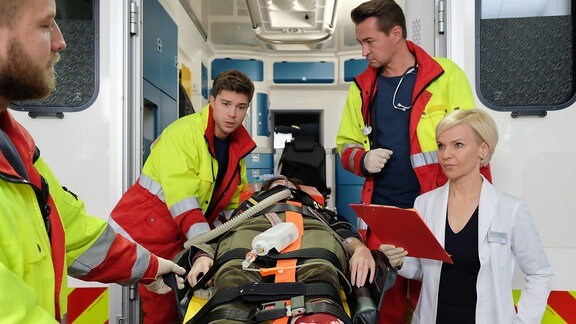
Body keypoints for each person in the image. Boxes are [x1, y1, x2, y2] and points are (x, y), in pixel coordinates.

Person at [0, 0, 186, 322]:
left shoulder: (16, 146)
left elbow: (74, 232)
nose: (61, 41)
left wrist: (150, 268)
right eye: (45, 25)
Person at [335, 0, 491, 322]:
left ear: (396, 33)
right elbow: (345, 147)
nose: (364, 51)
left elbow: (472, 143)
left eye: (369, 41)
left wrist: (481, 212)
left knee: (435, 300)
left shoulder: (445, 76)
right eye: (360, 42)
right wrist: (363, 160)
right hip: (384, 217)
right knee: (383, 305)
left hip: (435, 213)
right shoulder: (362, 88)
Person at [109, 69, 257, 322]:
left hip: (180, 238)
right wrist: (204, 250)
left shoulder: (237, 148)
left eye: (241, 107)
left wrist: (242, 243)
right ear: (211, 101)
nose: (232, 114)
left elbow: (231, 208)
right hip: (145, 235)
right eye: (225, 104)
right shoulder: (183, 135)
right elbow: (184, 203)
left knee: (183, 307)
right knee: (163, 312)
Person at [380, 109, 553, 323]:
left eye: (458, 145)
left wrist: (523, 320)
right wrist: (399, 261)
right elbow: (422, 270)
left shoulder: (511, 209)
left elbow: (540, 274)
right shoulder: (425, 203)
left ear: (483, 149)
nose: (446, 154)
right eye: (441, 145)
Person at [183, 176, 379, 323]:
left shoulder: (316, 210)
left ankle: (317, 313)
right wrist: (203, 257)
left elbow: (343, 234)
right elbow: (217, 237)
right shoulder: (247, 210)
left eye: (290, 185)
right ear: (264, 192)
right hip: (254, 229)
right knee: (234, 268)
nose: (284, 185)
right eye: (278, 184)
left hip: (310, 229)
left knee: (321, 266)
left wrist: (360, 249)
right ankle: (230, 316)